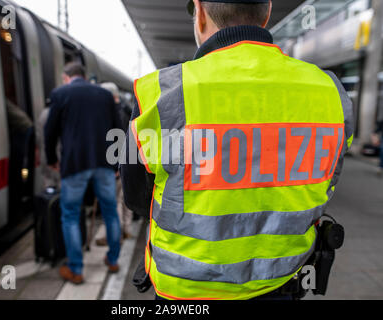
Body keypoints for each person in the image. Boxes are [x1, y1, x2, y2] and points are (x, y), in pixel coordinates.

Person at [120, 0, 354, 300]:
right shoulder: (329, 91)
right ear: (267, 12)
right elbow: (328, 180)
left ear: (200, 13)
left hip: (188, 290)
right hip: (283, 283)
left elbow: (136, 198)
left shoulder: (159, 93)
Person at [45, 62, 122, 285]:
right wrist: (116, 163)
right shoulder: (105, 95)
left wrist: (52, 159)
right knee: (110, 211)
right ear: (84, 76)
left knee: (70, 214)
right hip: (104, 164)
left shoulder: (60, 94)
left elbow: (50, 131)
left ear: (66, 77)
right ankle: (113, 259)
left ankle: (76, 269)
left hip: (74, 164)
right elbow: (117, 128)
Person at [96, 82, 134, 246]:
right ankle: (126, 229)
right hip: (129, 160)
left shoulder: (114, 112)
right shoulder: (127, 109)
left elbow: (115, 139)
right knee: (124, 200)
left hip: (118, 164)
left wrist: (115, 165)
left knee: (115, 201)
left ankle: (115, 235)